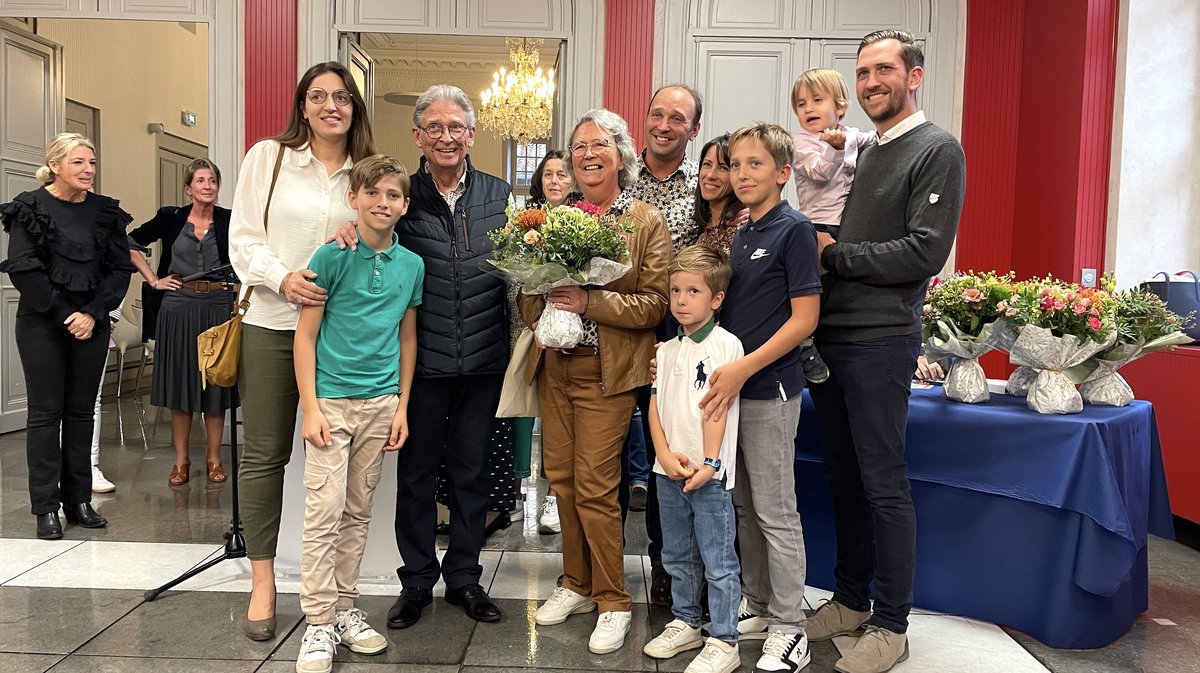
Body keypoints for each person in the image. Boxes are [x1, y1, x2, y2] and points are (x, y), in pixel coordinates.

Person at [807, 30, 966, 673]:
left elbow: (925, 252)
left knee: (883, 482)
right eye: (864, 72)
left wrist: (832, 254)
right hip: (833, 334)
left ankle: (892, 624)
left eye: (884, 71)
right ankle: (849, 600)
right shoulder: (866, 150)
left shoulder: (936, 149)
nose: (871, 82)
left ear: (914, 77)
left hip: (881, 337)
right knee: (843, 477)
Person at [229, 61, 377, 641]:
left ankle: (336, 593)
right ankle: (262, 580)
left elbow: (385, 235)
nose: (330, 106)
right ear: (302, 105)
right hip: (271, 321)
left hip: (338, 334)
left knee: (340, 464)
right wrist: (281, 276)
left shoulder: (365, 172)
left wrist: (361, 233)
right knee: (265, 454)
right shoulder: (268, 158)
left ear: (354, 106)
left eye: (341, 96)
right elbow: (242, 237)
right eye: (318, 96)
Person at [521, 108, 670, 655]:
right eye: (579, 145)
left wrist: (590, 301)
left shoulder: (643, 221)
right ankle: (576, 584)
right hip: (554, 367)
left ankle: (614, 600)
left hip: (607, 373)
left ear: (621, 155)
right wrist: (540, 314)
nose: (588, 154)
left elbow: (655, 305)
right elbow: (526, 290)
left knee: (595, 486)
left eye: (600, 144)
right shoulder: (556, 219)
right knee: (559, 478)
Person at [378, 84, 511, 630]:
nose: (446, 137)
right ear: (417, 136)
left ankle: (464, 579)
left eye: (456, 127)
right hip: (423, 362)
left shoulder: (500, 194)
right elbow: (371, 239)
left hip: (483, 360)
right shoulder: (402, 196)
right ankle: (415, 583)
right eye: (434, 127)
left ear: (472, 134)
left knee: (470, 475)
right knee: (415, 477)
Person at [699, 123, 822, 673]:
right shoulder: (745, 231)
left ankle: (792, 628)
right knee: (744, 504)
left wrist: (743, 367)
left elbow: (804, 319)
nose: (741, 174)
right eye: (735, 164)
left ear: (783, 172)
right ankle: (761, 602)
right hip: (735, 391)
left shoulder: (794, 230)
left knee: (776, 511)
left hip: (770, 391)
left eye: (754, 164)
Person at [292, 154, 421, 673]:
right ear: (354, 199)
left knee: (358, 512)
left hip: (381, 402)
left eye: (392, 195)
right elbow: (306, 336)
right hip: (331, 403)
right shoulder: (331, 256)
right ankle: (318, 622)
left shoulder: (412, 265)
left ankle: (346, 609)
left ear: (405, 205)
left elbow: (407, 338)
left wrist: (402, 406)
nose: (382, 203)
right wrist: (310, 407)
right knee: (322, 516)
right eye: (373, 194)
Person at [1, 132, 134, 539]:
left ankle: (78, 500)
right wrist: (67, 315)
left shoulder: (105, 211)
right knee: (45, 414)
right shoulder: (29, 207)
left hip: (92, 323)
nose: (88, 170)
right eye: (78, 162)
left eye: (91, 163)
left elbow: (118, 270)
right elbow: (25, 268)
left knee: (80, 412)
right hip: (43, 322)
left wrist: (93, 313)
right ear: (55, 165)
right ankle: (45, 507)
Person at [643, 245, 744, 673]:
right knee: (677, 555)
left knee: (718, 559)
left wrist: (711, 463)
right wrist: (664, 455)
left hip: (709, 475)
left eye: (693, 291)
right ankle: (685, 621)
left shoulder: (727, 346)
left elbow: (716, 409)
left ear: (716, 299)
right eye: (675, 291)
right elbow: (654, 405)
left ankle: (724, 637)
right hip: (668, 471)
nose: (681, 300)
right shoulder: (665, 351)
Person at [129, 158, 239, 486]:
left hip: (218, 307)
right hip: (178, 307)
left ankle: (214, 459)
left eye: (212, 181)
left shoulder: (230, 220)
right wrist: (153, 279)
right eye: (201, 181)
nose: (207, 186)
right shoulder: (170, 218)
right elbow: (130, 243)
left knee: (215, 385)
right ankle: (181, 462)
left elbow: (250, 254)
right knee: (181, 386)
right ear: (188, 188)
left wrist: (238, 284)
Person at [789, 67, 878, 386]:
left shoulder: (849, 133)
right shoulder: (801, 143)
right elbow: (820, 172)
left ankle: (837, 350)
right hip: (814, 227)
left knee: (838, 295)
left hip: (847, 229)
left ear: (839, 106)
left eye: (816, 100)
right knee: (809, 295)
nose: (808, 108)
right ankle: (803, 346)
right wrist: (835, 147)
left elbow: (877, 139)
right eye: (801, 104)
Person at [522, 149, 577, 534]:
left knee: (576, 430)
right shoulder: (527, 227)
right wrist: (539, 324)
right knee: (546, 428)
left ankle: (568, 500)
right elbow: (523, 288)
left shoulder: (588, 220)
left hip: (581, 334)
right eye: (548, 175)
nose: (555, 180)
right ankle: (550, 497)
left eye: (562, 174)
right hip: (542, 340)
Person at [692, 133, 744, 255]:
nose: (710, 175)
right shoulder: (703, 224)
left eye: (723, 168)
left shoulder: (742, 226)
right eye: (707, 164)